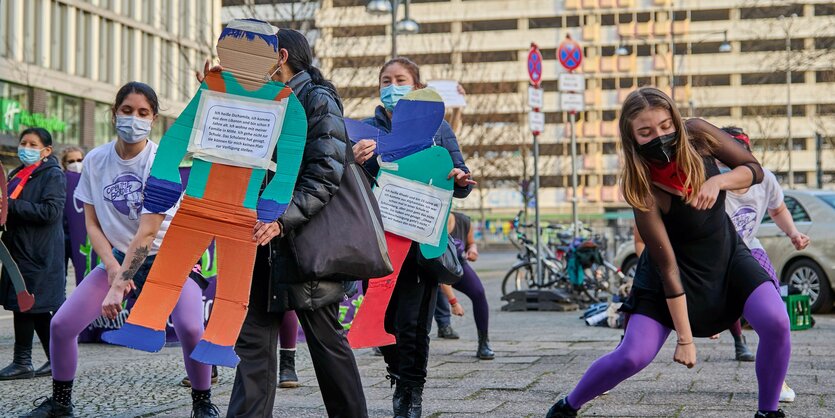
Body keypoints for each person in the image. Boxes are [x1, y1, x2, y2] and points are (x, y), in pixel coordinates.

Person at [545, 87, 790, 418]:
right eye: (645, 132)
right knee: (633, 356)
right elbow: (668, 266)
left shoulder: (698, 135)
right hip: (669, 274)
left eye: (665, 127)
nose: (659, 137)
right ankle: (567, 406)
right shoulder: (640, 185)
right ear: (632, 139)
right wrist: (685, 339)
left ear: (675, 120)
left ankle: (768, 412)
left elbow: (753, 168)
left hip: (726, 257)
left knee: (776, 321)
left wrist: (719, 182)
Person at [22, 82, 218, 418]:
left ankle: (203, 403)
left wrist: (118, 282)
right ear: (114, 113)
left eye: (143, 113)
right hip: (118, 259)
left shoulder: (161, 163)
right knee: (62, 325)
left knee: (190, 328)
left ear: (153, 119)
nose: (133, 119)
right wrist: (112, 268)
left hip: (168, 257)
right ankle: (60, 403)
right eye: (127, 111)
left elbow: (148, 231)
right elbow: (92, 224)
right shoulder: (97, 160)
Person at [219, 28, 367, 417]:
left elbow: (325, 175)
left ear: (280, 56)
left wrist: (283, 220)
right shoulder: (265, 99)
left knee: (326, 344)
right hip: (260, 243)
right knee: (252, 346)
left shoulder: (316, 99)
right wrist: (219, 92)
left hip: (304, 244)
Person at [354, 57, 475, 418]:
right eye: (386, 80)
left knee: (413, 323)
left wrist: (461, 176)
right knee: (384, 320)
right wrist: (354, 159)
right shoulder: (365, 130)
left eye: (401, 79)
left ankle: (411, 392)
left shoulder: (439, 129)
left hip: (421, 240)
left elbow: (460, 176)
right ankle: (397, 374)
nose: (392, 87)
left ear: (417, 86)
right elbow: (347, 180)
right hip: (376, 239)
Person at [718, 126, 808, 403]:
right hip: (715, 256)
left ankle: (777, 380)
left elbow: (777, 209)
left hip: (749, 250)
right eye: (727, 156)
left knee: (776, 313)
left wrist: (793, 233)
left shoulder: (765, 179)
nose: (734, 162)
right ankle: (617, 368)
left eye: (741, 153)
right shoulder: (713, 181)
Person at [0, 128, 66, 381]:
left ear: (46, 150)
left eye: (32, 144)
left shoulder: (52, 175)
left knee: (27, 305)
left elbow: (50, 211)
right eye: (23, 142)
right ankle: (56, 359)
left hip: (38, 252)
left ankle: (22, 361)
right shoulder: (17, 174)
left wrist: (11, 206)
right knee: (33, 307)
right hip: (18, 250)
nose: (25, 147)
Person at [433, 212, 494, 359]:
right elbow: (441, 276)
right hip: (436, 269)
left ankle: (484, 343)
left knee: (479, 293)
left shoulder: (464, 220)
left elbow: (471, 242)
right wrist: (454, 302)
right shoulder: (434, 223)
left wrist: (473, 250)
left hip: (459, 265)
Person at [60, 147, 84, 279]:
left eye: (80, 160)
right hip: (62, 235)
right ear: (64, 163)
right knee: (60, 276)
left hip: (81, 235)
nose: (76, 164)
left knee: (84, 272)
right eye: (71, 161)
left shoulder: (89, 180)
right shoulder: (59, 180)